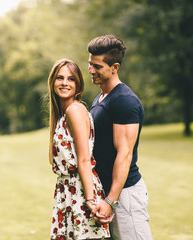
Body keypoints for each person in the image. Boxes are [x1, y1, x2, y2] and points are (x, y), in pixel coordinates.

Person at [87, 35, 152, 239]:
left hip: (124, 195)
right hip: (108, 193)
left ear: (115, 67)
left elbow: (124, 154)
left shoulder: (124, 101)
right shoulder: (101, 98)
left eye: (97, 66)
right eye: (90, 64)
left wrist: (111, 201)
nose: (90, 70)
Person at [48, 58, 111, 240]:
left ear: (78, 85)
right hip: (67, 191)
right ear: (53, 82)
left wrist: (90, 200)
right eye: (60, 78)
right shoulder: (65, 113)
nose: (65, 83)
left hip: (80, 191)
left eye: (71, 79)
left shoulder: (74, 110)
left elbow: (84, 159)